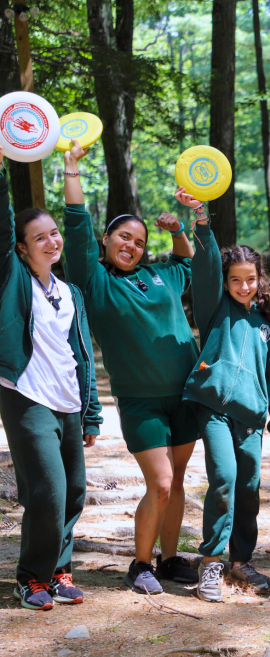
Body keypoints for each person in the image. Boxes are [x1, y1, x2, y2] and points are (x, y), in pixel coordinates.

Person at [61, 144, 200, 594]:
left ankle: (171, 556)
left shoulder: (159, 276)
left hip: (185, 394)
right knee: (159, 482)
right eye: (124, 237)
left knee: (177, 481)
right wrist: (72, 170)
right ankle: (140, 564)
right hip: (140, 400)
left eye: (140, 242)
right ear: (107, 240)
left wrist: (178, 228)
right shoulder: (95, 281)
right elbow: (77, 225)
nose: (132, 245)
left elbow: (185, 261)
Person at [173, 189, 270, 602]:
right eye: (235, 280)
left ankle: (242, 560)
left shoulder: (267, 326)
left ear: (261, 281)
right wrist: (201, 221)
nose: (243, 286)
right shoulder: (214, 307)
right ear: (225, 282)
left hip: (251, 418)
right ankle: (212, 562)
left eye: (250, 279)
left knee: (250, 486)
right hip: (214, 409)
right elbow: (203, 266)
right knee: (223, 479)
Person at [0, 144, 103, 610]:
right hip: (26, 396)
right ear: (22, 247)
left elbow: (80, 355)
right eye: (38, 237)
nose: (51, 241)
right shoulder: (13, 279)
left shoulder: (70, 291)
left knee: (75, 491)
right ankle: (30, 578)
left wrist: (92, 412)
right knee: (47, 490)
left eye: (54, 233)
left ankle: (59, 571)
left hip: (68, 401)